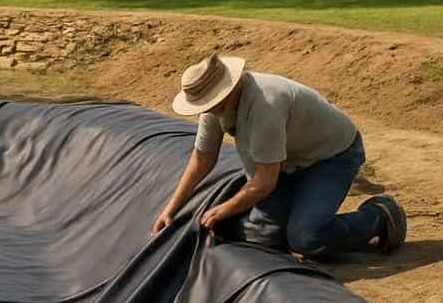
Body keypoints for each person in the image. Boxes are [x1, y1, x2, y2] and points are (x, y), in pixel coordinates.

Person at [151, 53, 407, 258]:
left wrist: (224, 209)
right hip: (287, 162)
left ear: (225, 93)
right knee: (262, 237)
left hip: (330, 156)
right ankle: (303, 207)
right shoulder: (214, 109)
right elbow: (202, 158)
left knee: (307, 237)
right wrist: (171, 209)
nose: (204, 109)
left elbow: (265, 182)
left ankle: (378, 216)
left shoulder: (265, 105)